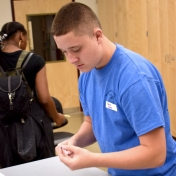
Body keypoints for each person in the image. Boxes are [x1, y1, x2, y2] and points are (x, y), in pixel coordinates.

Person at [51, 2, 176, 176]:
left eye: (76, 49)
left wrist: (92, 159)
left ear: (98, 36)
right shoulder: (87, 72)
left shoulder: (134, 79)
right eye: (64, 52)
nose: (71, 59)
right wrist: (74, 141)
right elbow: (92, 122)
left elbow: (156, 154)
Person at [0, 21, 68, 167]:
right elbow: (44, 99)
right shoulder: (34, 60)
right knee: (42, 168)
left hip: (3, 127)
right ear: (21, 36)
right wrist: (57, 118)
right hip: (33, 125)